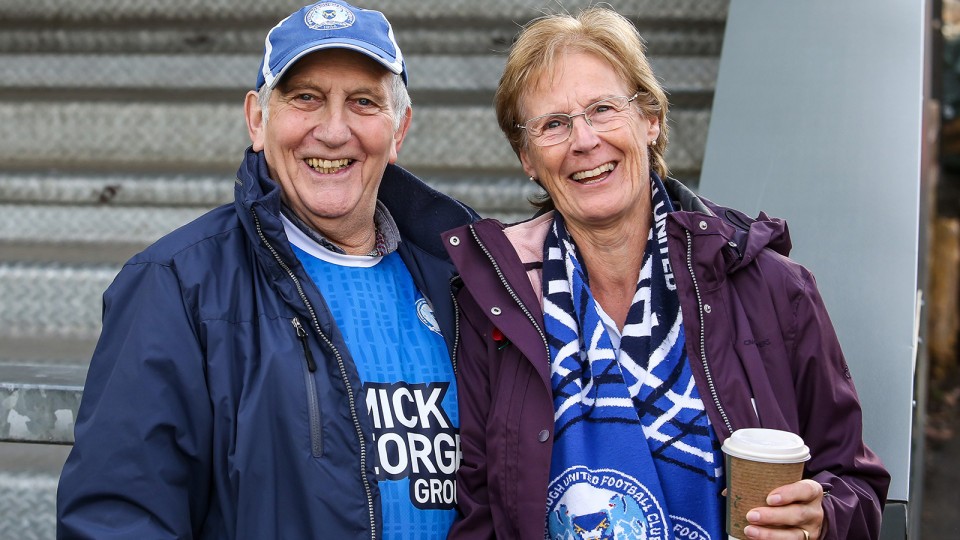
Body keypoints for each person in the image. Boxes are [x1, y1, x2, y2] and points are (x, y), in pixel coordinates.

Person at [443, 7, 889, 540]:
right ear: (527, 157)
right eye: (553, 124)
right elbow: (480, 511)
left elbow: (855, 483)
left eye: (604, 109)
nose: (584, 141)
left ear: (650, 120)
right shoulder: (496, 303)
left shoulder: (770, 287)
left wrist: (823, 519)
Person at [56, 1, 477, 538]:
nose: (333, 130)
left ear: (398, 130)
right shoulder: (178, 286)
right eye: (306, 98)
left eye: (364, 102)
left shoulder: (463, 280)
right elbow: (117, 519)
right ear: (258, 119)